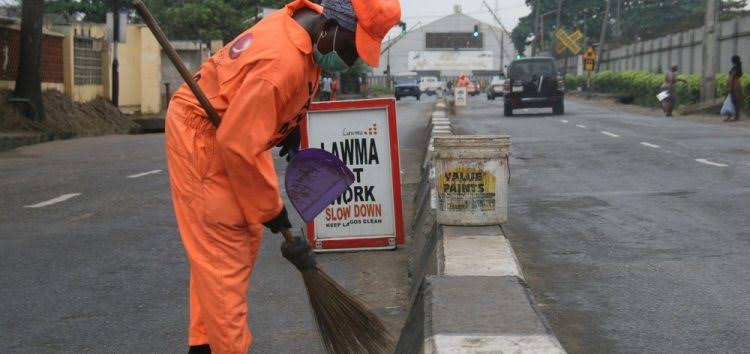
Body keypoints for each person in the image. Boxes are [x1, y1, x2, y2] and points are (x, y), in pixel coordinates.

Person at [164, 0, 401, 353]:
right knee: (224, 251)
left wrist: (287, 127)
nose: (349, 61)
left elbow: (269, 101)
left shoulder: (304, 29)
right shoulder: (279, 63)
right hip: (206, 134)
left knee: (229, 250)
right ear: (332, 27)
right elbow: (236, 143)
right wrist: (271, 211)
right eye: (352, 48)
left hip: (232, 129)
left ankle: (204, 344)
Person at [725, 55, 743, 121]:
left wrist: (729, 87)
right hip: (737, 84)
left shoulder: (735, 68)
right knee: (735, 101)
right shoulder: (739, 67)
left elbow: (732, 77)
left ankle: (732, 116)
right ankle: (735, 116)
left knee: (732, 100)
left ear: (733, 61)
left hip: (733, 85)